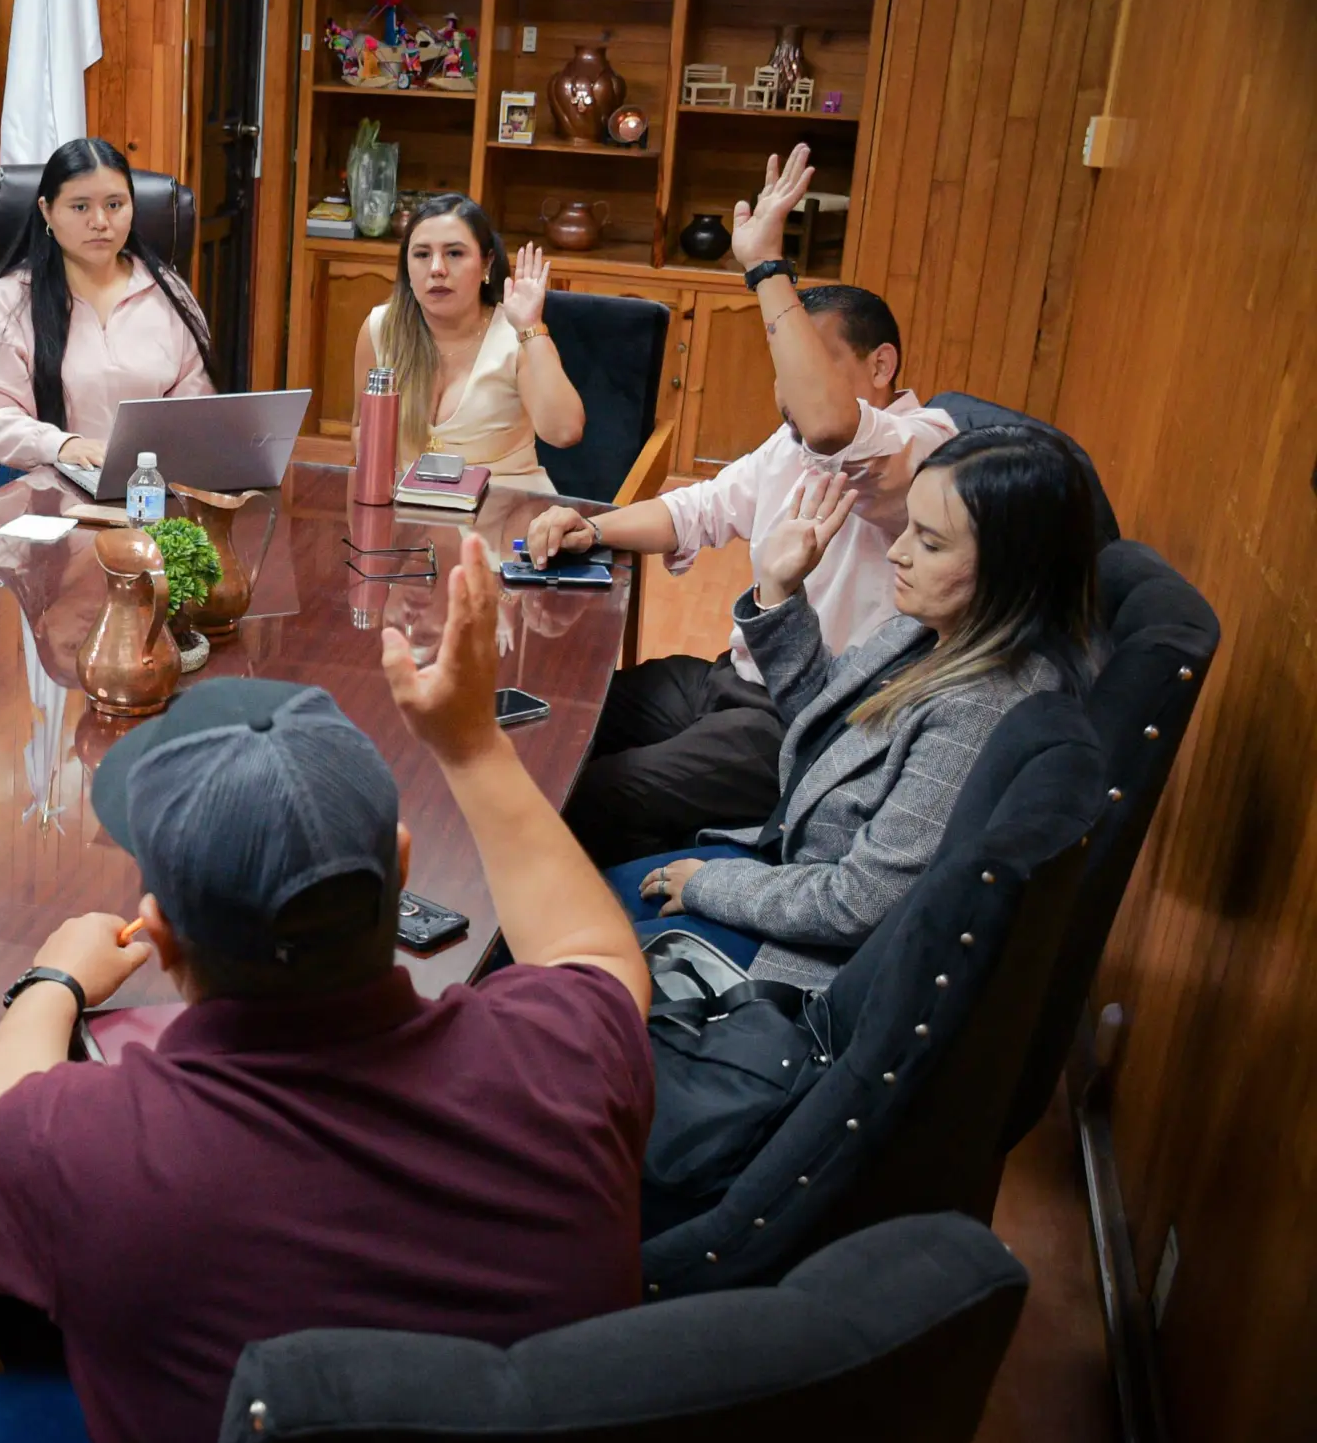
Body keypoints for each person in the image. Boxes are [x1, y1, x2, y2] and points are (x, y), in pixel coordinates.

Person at [0, 544, 654, 1443]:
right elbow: (590, 948)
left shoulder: (93, 1152)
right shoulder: (564, 1054)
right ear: (398, 868)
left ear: (162, 932)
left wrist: (52, 983)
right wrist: (470, 744)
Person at [525, 145, 959, 864]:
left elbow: (831, 426)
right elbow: (698, 508)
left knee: (597, 790)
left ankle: (628, 890)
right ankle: (650, 845)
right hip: (729, 680)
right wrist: (589, 526)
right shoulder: (793, 441)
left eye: (806, 363)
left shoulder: (927, 443)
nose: (787, 388)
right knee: (561, 716)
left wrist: (764, 265)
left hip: (807, 719)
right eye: (781, 365)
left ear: (880, 366)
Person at [610, 428, 1098, 986]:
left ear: (1014, 569)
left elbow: (857, 903)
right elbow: (828, 723)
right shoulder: (938, 627)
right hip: (780, 876)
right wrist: (779, 590)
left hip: (793, 955)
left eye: (931, 543)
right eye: (909, 526)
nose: (898, 550)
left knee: (564, 946)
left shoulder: (984, 709)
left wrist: (709, 885)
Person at [0, 138, 215, 476]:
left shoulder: (168, 293)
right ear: (46, 210)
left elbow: (195, 403)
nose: (100, 221)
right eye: (80, 207)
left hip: (149, 483)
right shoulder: (9, 301)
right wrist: (61, 446)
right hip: (43, 480)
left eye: (114, 205)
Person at [351, 193, 584, 491]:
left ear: (487, 263)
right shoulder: (381, 328)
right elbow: (361, 428)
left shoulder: (515, 336)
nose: (437, 268)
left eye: (454, 254)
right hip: (416, 517)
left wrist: (531, 328)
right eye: (422, 254)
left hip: (507, 513)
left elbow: (565, 432)